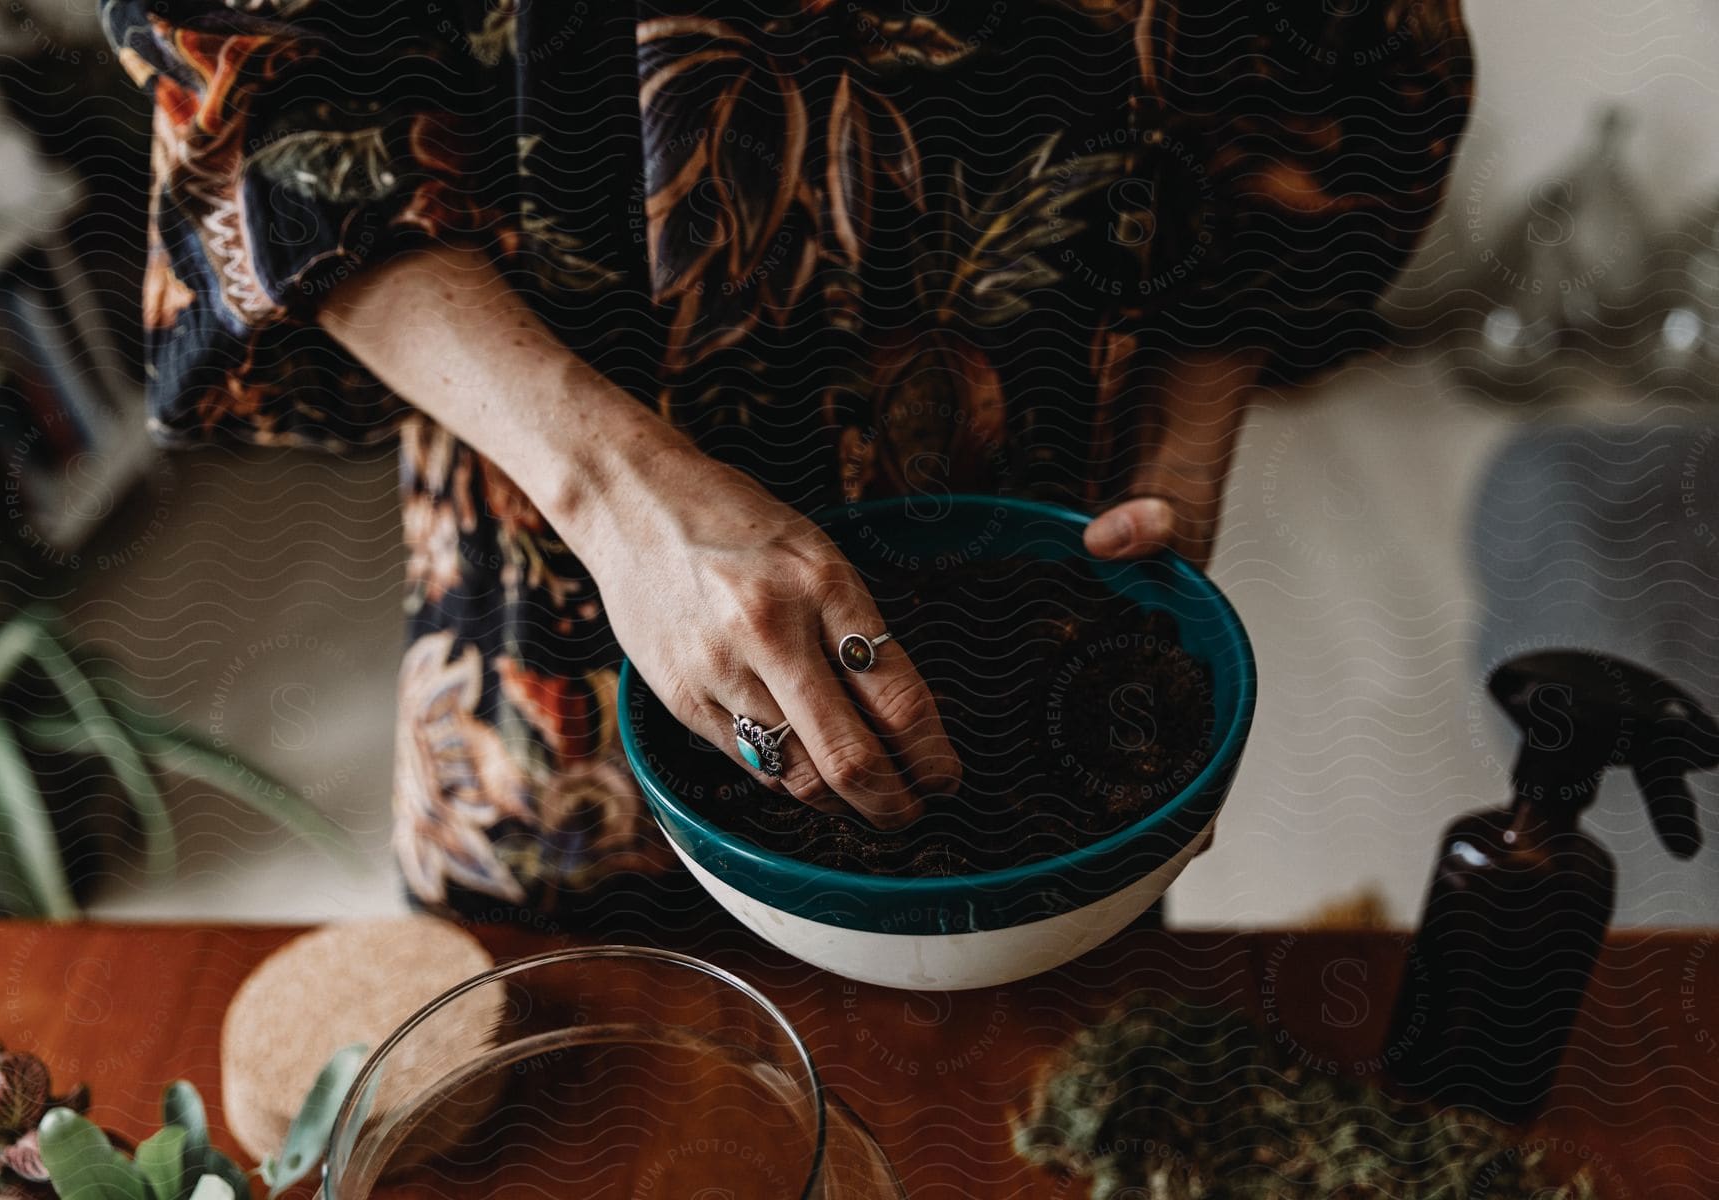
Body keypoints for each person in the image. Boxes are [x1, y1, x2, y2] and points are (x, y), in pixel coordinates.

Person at [99, 0, 1472, 919]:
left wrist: (1184, 434)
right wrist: (612, 492)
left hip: (1038, 582)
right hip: (563, 604)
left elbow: (1354, 61)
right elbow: (255, 75)